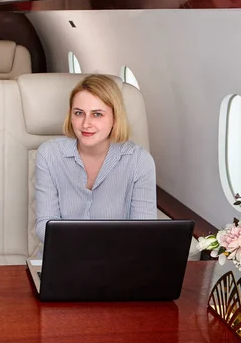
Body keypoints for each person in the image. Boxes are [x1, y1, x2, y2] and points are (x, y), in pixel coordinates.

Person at [34, 74, 157, 244]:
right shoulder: (49, 154)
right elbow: (44, 225)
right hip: (62, 258)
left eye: (97, 114)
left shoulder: (140, 161)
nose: (86, 124)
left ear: (115, 118)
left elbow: (145, 231)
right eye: (79, 113)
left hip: (117, 263)